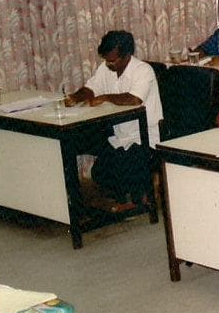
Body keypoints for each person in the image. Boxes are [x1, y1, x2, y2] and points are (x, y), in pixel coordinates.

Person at [64, 30, 163, 206]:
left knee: (123, 170)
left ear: (126, 55)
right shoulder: (105, 68)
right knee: (99, 173)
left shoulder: (143, 70)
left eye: (112, 60)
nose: (108, 64)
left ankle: (145, 191)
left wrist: (106, 97)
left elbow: (134, 99)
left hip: (145, 137)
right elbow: (91, 88)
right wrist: (76, 97)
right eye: (106, 60)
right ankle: (132, 193)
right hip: (119, 136)